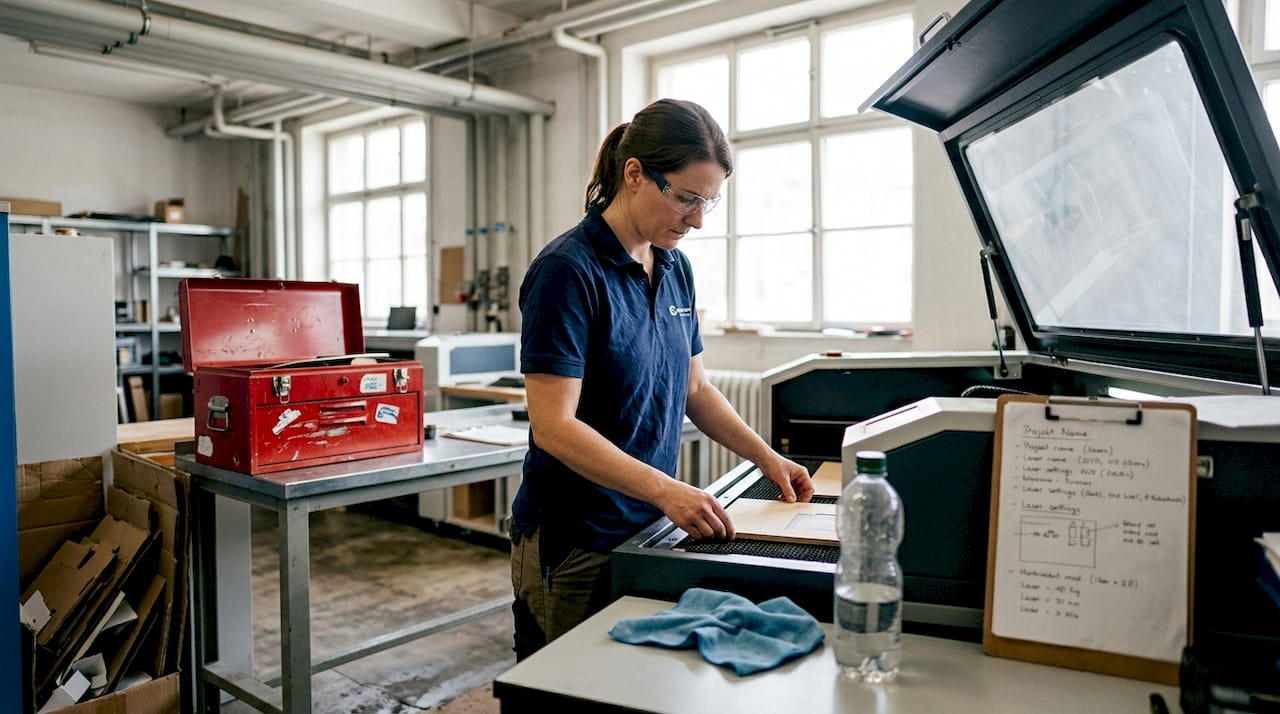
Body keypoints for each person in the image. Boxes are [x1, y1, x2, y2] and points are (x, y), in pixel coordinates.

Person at [508, 98, 814, 661]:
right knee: (567, 688)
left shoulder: (675, 266)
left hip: (645, 527)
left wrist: (766, 460)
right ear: (634, 174)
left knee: (630, 682)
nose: (697, 219)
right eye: (687, 198)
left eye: (710, 202)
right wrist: (668, 489)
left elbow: (695, 389)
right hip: (579, 537)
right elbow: (553, 427)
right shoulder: (568, 272)